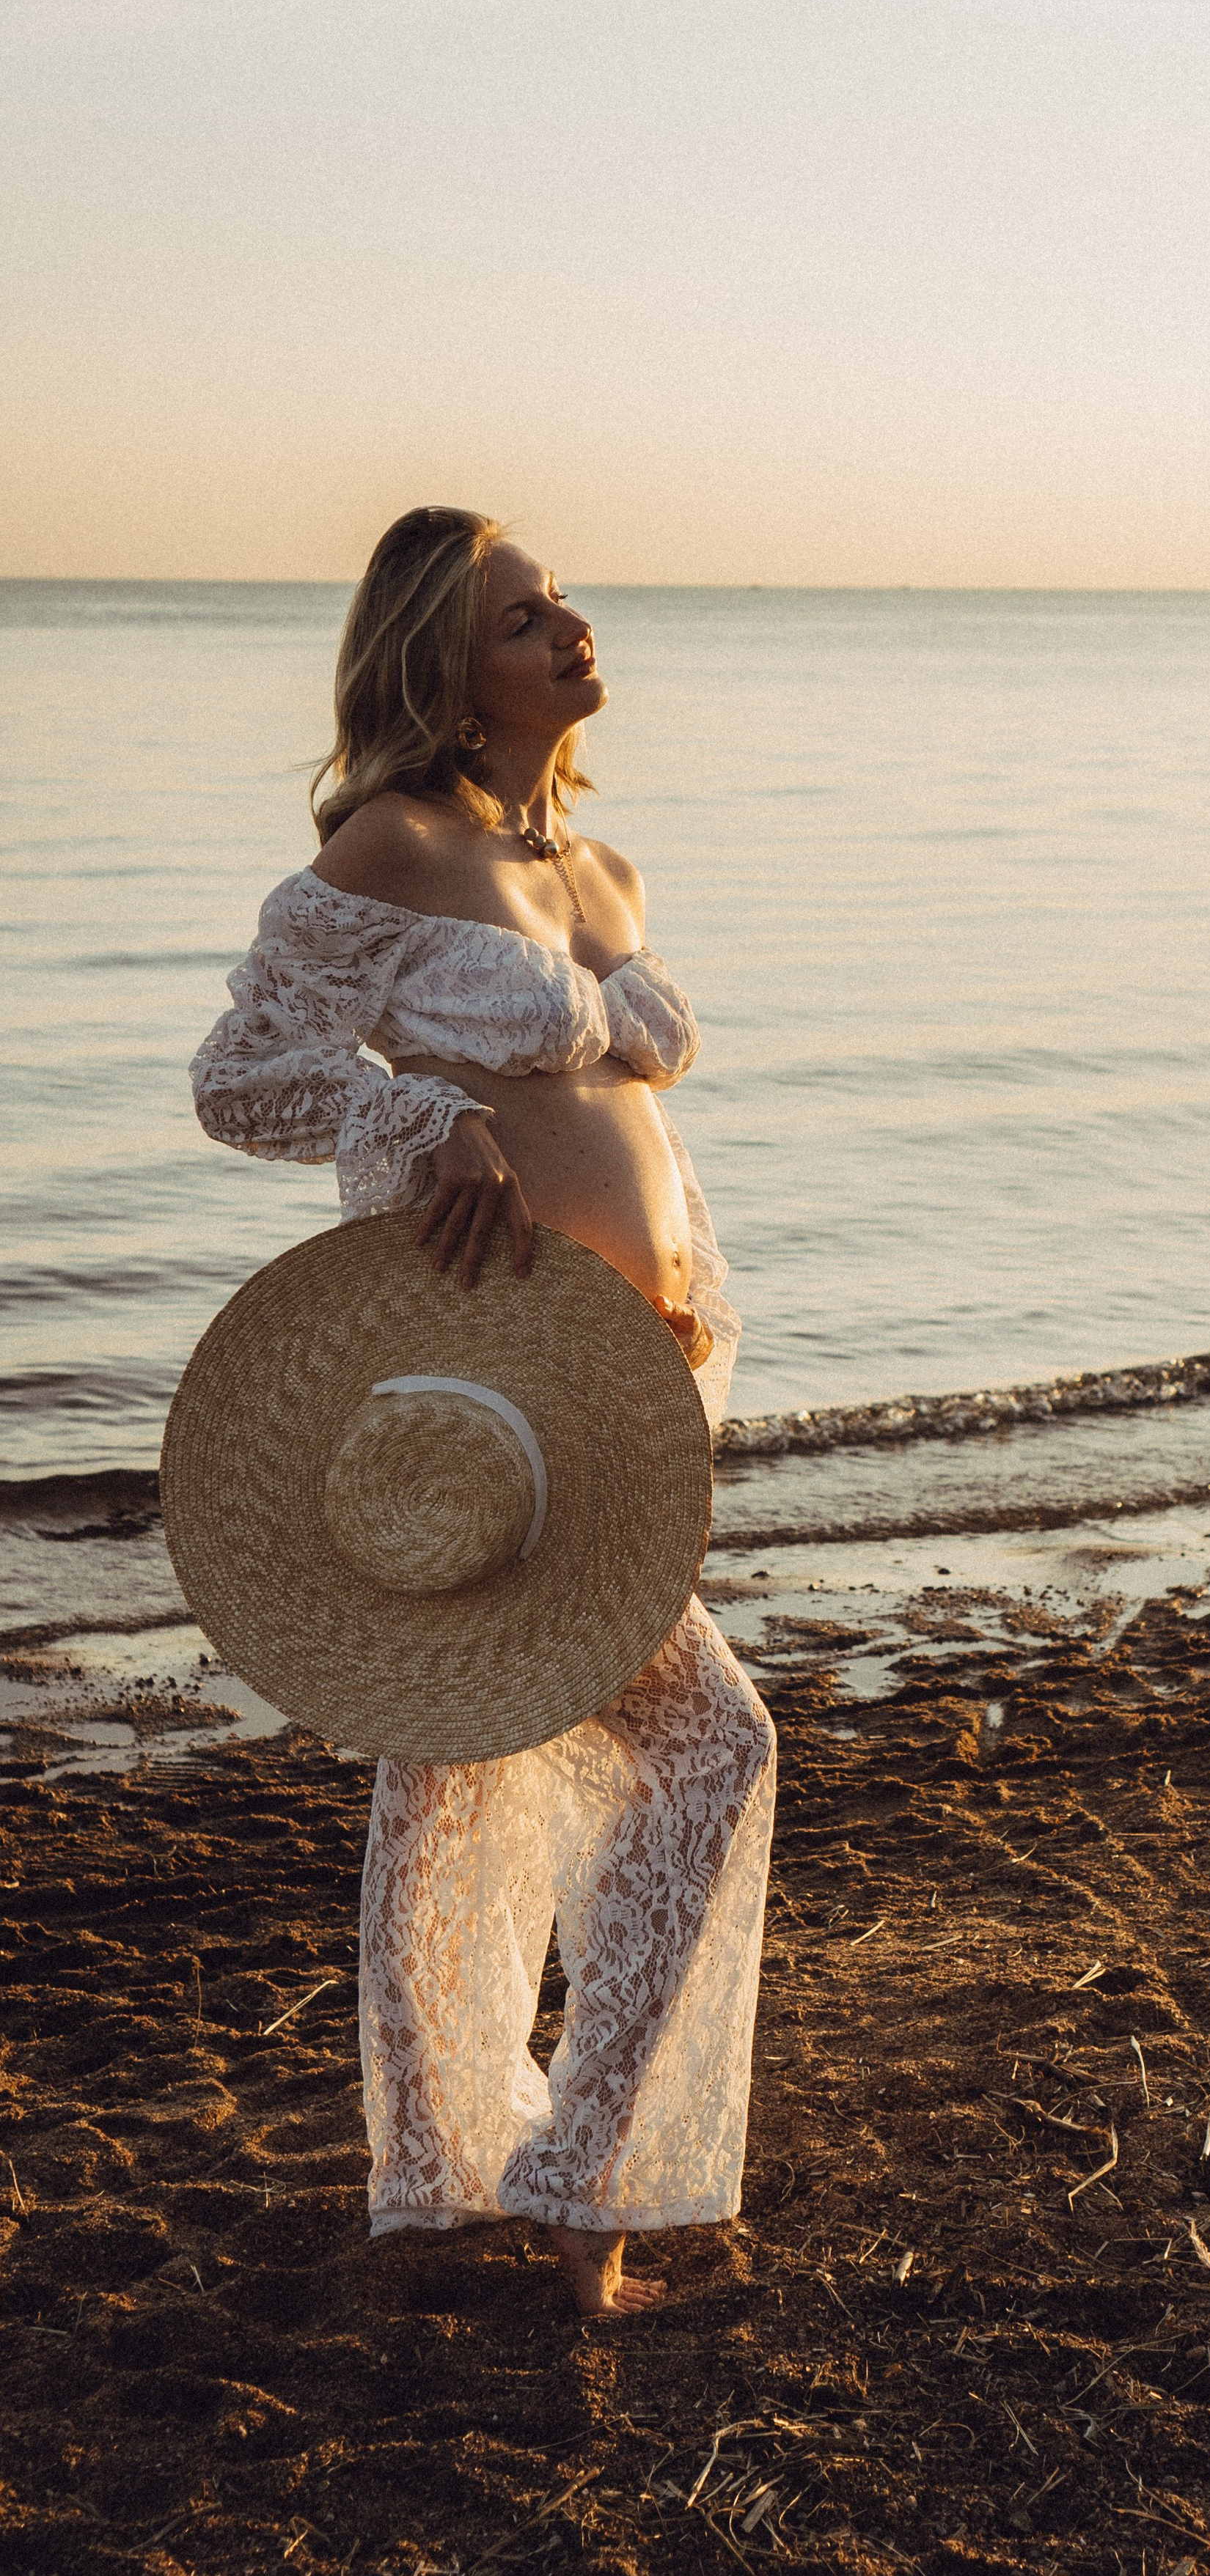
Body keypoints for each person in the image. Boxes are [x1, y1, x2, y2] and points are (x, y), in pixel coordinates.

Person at [189, 505, 776, 2316]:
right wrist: (420, 1117)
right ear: (446, 669)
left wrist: (680, 1293)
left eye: (561, 601)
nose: (569, 629)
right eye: (524, 619)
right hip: (488, 1381)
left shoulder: (600, 873)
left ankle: (453, 2184)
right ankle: (579, 2195)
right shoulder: (395, 841)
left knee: (454, 1765)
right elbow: (243, 1077)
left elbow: (622, 1116)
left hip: (624, 1371)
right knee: (710, 1745)